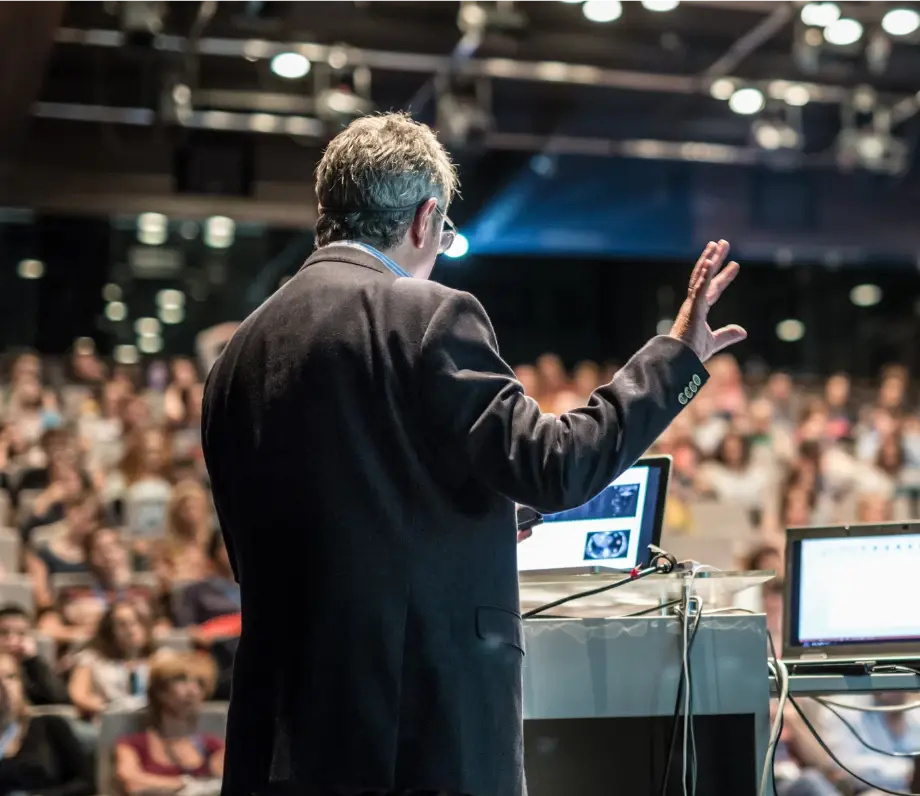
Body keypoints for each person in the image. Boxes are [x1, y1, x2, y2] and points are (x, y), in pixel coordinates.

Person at [201, 111, 746, 796]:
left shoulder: (237, 355)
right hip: (415, 726)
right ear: (426, 219)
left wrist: (477, 520)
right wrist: (676, 358)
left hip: (281, 735)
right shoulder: (425, 311)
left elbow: (319, 527)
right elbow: (558, 465)